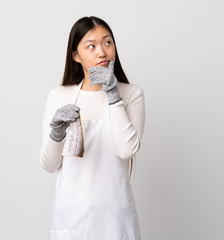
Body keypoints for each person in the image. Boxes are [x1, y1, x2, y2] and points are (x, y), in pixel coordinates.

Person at [39, 16, 145, 240]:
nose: (102, 52)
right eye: (91, 46)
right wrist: (56, 133)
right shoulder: (60, 96)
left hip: (116, 217)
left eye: (108, 43)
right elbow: (49, 165)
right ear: (76, 55)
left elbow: (126, 150)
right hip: (72, 217)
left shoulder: (131, 93)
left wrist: (113, 96)